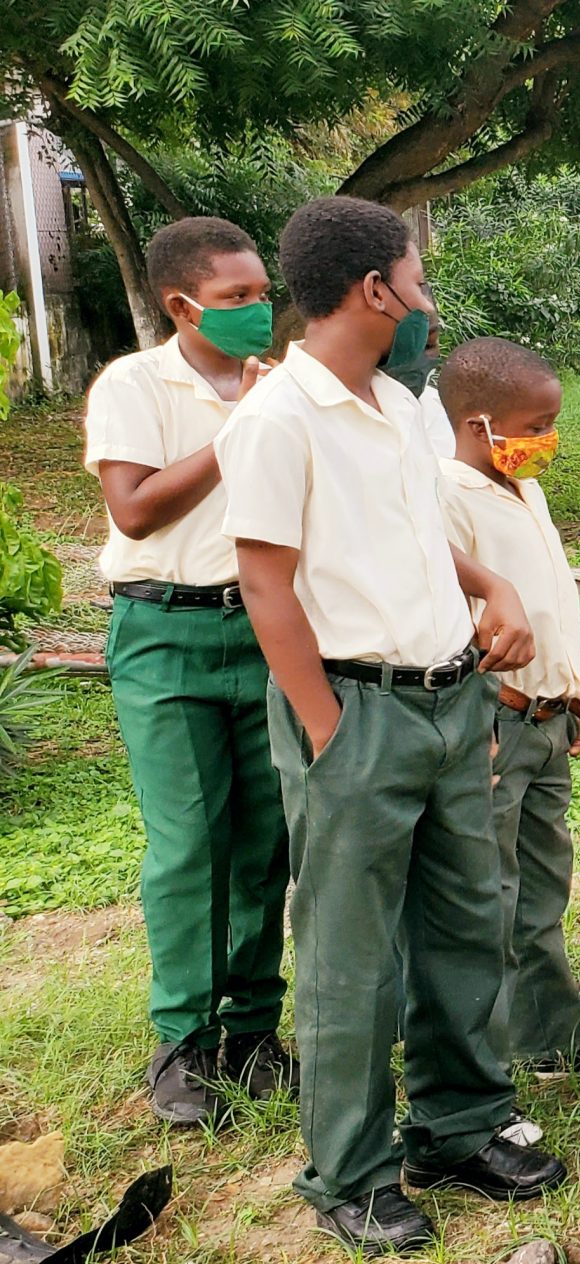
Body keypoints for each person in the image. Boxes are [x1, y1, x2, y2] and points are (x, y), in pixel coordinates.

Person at [219, 196, 566, 1254]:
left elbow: (419, 530)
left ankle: (457, 1126)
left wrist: (492, 587)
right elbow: (265, 584)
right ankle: (350, 1170)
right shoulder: (278, 419)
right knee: (351, 956)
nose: (427, 300)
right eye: (418, 280)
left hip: (449, 698)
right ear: (374, 290)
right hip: (355, 708)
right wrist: (326, 731)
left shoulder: (403, 405)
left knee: (465, 922)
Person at [83, 216, 291, 1127]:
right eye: (237, 298)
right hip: (165, 633)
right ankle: (183, 1042)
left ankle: (252, 1031)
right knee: (188, 843)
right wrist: (241, 424)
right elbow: (133, 512)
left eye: (262, 294)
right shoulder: (136, 382)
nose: (258, 310)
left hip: (264, 628)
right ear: (183, 304)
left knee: (265, 840)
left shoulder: (278, 387)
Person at [433, 337, 580, 1085]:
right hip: (492, 722)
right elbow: (440, 622)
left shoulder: (517, 488)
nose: (549, 441)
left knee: (540, 887)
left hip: (545, 719)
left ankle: (552, 1041)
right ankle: (478, 1065)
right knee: (485, 897)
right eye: (538, 423)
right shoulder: (443, 498)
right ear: (478, 425)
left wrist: (564, 699)